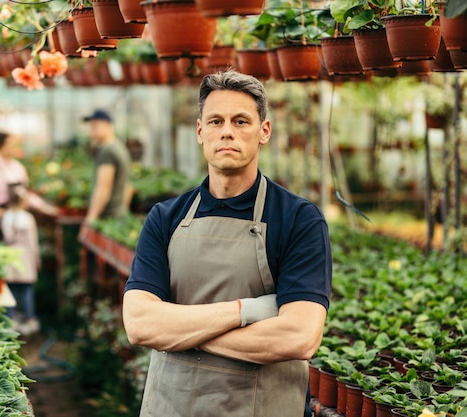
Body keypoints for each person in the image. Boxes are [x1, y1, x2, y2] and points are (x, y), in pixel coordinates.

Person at [122, 69, 332, 417]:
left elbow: (299, 336)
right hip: (171, 406)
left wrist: (181, 334)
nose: (228, 132)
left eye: (241, 121)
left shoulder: (298, 220)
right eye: (216, 121)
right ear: (201, 131)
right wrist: (247, 311)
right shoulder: (165, 217)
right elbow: (140, 324)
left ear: (264, 131)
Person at [0, 131, 59, 241]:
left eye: (12, 144)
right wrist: (4, 215)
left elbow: (25, 193)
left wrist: (43, 207)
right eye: (7, 144)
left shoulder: (17, 167)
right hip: (0, 222)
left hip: (20, 219)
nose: (11, 147)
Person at [0, 184, 42, 335]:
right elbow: (33, 242)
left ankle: (10, 319)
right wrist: (37, 260)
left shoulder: (5, 216)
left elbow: (6, 238)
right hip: (25, 257)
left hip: (10, 257)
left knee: (10, 290)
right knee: (26, 290)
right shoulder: (28, 218)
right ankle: (29, 318)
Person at [80, 109, 132, 226]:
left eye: (95, 125)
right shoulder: (119, 147)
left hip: (108, 218)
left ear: (108, 125)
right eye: (91, 126)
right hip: (119, 215)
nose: (91, 130)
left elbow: (103, 188)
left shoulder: (107, 151)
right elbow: (128, 186)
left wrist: (90, 219)